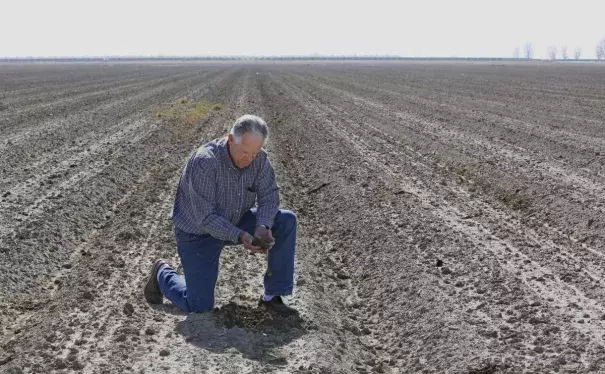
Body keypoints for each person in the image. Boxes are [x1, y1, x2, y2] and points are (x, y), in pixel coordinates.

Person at [143, 114, 298, 317]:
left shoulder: (259, 160)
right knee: (199, 307)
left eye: (254, 153)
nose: (249, 159)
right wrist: (242, 236)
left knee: (286, 220)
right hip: (197, 233)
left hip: (235, 220)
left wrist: (263, 226)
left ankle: (273, 297)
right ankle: (162, 273)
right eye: (245, 152)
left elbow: (269, 196)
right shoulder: (205, 162)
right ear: (231, 139)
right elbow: (206, 218)